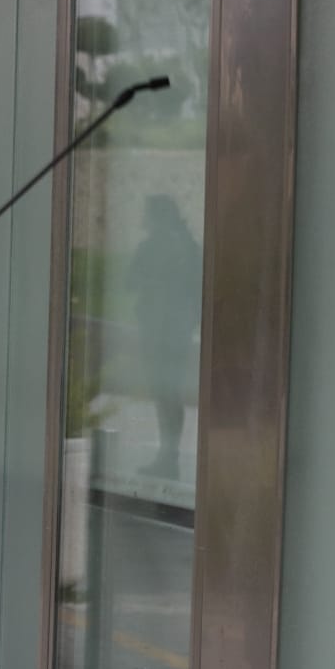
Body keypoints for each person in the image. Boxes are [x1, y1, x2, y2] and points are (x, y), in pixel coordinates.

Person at [127, 194, 202, 480]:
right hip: (174, 330)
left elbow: (129, 281)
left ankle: (167, 456)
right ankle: (168, 455)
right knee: (168, 393)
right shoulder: (187, 246)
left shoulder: (154, 248)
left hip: (161, 330)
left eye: (147, 213)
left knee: (164, 392)